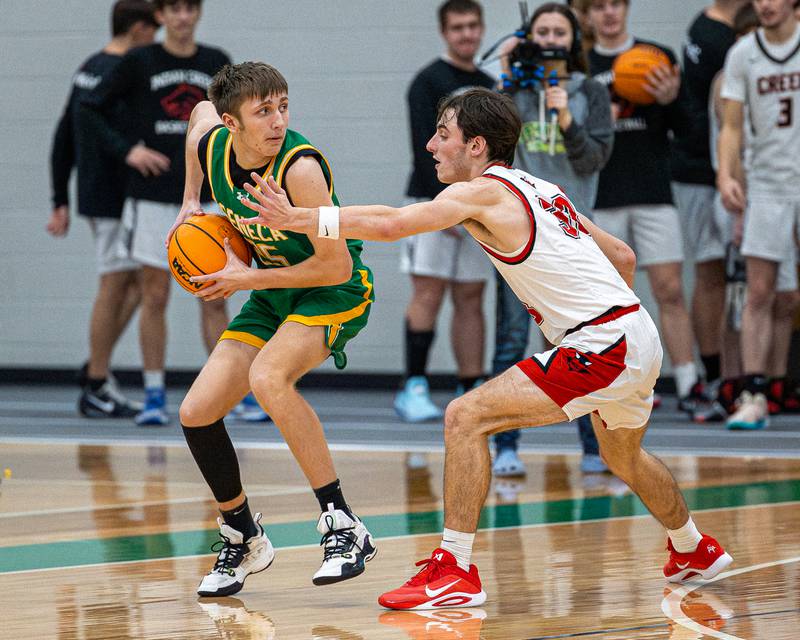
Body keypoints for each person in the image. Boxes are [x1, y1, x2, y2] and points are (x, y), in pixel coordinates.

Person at [240, 87, 733, 611]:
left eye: (443, 135)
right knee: (622, 454)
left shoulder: (481, 192)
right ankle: (693, 548)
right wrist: (606, 330)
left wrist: (302, 219)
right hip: (635, 333)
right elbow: (623, 255)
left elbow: (392, 224)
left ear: (476, 146)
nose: (431, 146)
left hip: (604, 343)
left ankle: (454, 570)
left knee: (465, 416)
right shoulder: (543, 189)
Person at [170, 61, 377, 597]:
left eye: (283, 106)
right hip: (271, 288)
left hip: (333, 290)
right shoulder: (213, 144)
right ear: (231, 123)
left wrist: (246, 279)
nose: (279, 120)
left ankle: (343, 523)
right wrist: (190, 200)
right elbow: (197, 114)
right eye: (263, 111)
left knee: (268, 377)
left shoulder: (299, 169)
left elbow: (336, 267)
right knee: (196, 411)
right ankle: (242, 533)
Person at [80, 0, 232, 426]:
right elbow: (89, 107)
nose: (182, 17)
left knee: (215, 296)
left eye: (189, 8)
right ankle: (153, 393)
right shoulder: (138, 61)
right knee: (155, 295)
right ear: (161, 16)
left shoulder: (216, 62)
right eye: (173, 9)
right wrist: (127, 150)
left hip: (206, 197)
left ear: (198, 13)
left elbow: (236, 121)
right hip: (150, 195)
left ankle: (231, 392)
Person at [492, 2, 615, 477]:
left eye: (558, 32)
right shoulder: (512, 94)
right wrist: (506, 72)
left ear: (573, 40)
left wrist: (565, 117)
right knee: (510, 341)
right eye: (540, 31)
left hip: (574, 238)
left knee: (585, 343)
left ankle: (593, 448)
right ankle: (506, 446)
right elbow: (490, 148)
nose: (549, 40)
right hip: (518, 235)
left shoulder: (590, 91)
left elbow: (593, 160)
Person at [586, 0, 709, 414]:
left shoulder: (657, 58)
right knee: (609, 300)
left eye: (615, 4)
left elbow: (691, 132)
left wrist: (672, 99)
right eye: (599, 6)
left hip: (654, 191)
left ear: (625, 8)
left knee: (670, 290)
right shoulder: (582, 66)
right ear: (588, 14)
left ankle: (688, 382)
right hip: (601, 198)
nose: (608, 13)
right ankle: (620, 382)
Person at [47, 0, 158, 418]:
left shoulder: (89, 66)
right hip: (109, 193)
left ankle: (98, 360)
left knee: (137, 284)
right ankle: (96, 382)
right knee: (115, 283)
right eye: (153, 30)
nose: (156, 39)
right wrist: (60, 197)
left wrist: (59, 198)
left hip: (107, 193)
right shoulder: (116, 70)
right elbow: (75, 129)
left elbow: (62, 134)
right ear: (138, 29)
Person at [395, 0, 496, 423]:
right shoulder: (428, 81)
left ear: (481, 28)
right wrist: (448, 208)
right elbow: (424, 148)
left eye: (472, 26)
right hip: (430, 201)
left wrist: (474, 207)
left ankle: (470, 387)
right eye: (458, 27)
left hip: (478, 205)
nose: (466, 34)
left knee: (471, 296)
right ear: (444, 32)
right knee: (428, 291)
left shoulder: (490, 84)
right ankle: (414, 386)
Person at [717, 0, 800, 429]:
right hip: (768, 183)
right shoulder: (743, 53)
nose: (765, 4)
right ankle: (753, 395)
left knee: (786, 297)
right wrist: (726, 174)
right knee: (759, 292)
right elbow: (731, 125)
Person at [671, 0, 751, 423]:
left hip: (746, 176)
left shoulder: (736, 26)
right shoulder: (709, 32)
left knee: (749, 283)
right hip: (702, 171)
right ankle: (718, 376)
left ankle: (749, 379)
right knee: (711, 274)